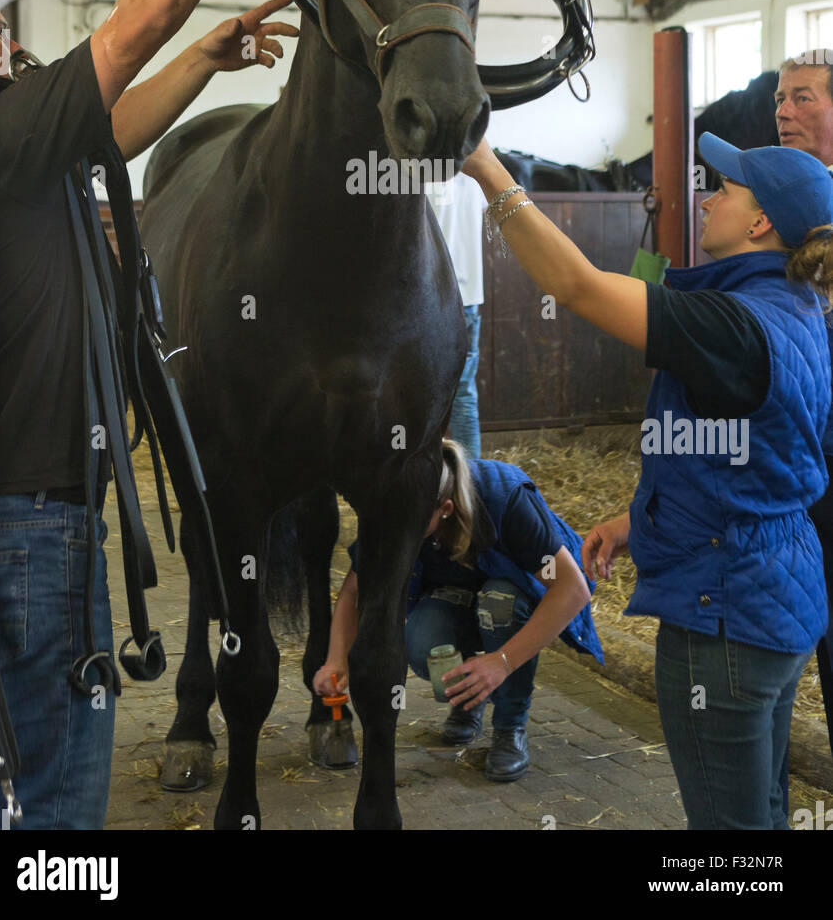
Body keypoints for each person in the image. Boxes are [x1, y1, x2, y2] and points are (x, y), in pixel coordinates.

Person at [0, 0, 297, 828]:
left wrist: (203, 61)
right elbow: (139, 15)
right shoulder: (2, 124)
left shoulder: (7, 142)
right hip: (32, 524)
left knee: (6, 770)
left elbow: (106, 130)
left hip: (11, 515)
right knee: (55, 784)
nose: (12, 55)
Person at [461, 131, 833, 830]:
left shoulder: (733, 322)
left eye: (724, 190)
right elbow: (768, 454)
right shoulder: (802, 309)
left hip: (722, 611)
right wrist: (642, 519)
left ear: (760, 224)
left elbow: (574, 285)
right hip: (782, 594)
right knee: (767, 816)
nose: (707, 197)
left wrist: (487, 170)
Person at [314, 440, 603, 782]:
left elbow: (572, 589)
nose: (397, 536)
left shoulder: (505, 500)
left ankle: (510, 727)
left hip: (511, 594)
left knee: (499, 602)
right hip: (459, 595)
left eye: (408, 526)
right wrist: (336, 660)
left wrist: (502, 662)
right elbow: (353, 591)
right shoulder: (395, 509)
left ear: (445, 509)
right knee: (422, 643)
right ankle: (470, 701)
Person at [773, 50, 833, 759]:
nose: (785, 111)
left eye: (804, 98)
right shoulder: (785, 210)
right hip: (803, 460)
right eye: (781, 99)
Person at [425, 172, 486, 459]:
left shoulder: (422, 176)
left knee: (421, 391)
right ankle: (472, 481)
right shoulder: (477, 179)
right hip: (468, 299)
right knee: (464, 394)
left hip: (428, 299)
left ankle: (426, 472)